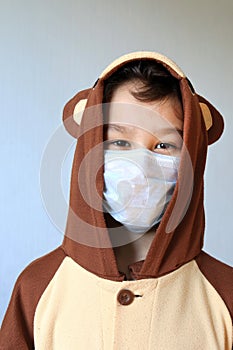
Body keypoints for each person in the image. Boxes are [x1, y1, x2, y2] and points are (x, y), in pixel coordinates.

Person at [0, 51, 232, 349]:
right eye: (120, 142)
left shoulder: (225, 295)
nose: (140, 164)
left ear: (192, 157)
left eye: (164, 145)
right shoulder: (37, 287)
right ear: (91, 149)